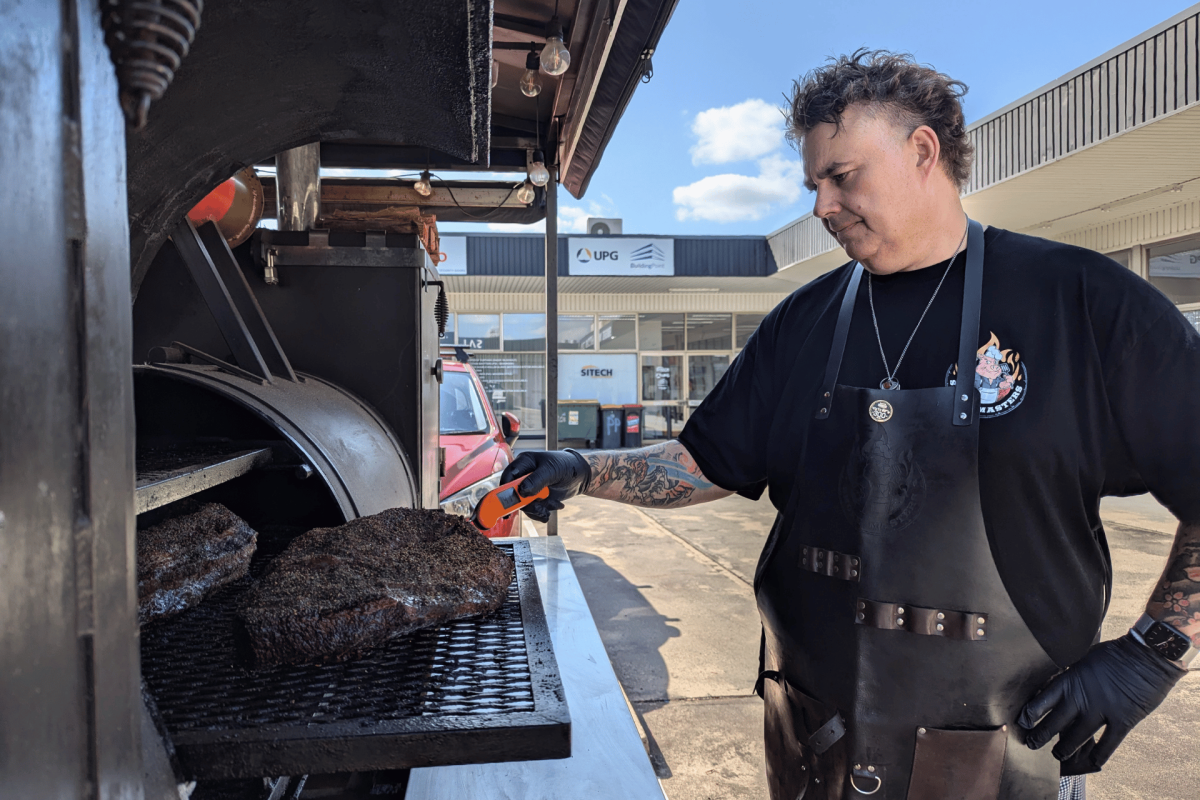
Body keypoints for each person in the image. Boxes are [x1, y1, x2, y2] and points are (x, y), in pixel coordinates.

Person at [501, 50, 1197, 800]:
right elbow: (705, 462)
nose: (822, 206)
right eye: (814, 185)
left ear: (923, 151)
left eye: (842, 177)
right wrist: (579, 470)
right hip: (814, 746)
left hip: (1004, 753)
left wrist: (1154, 650)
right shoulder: (804, 320)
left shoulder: (1081, 304)